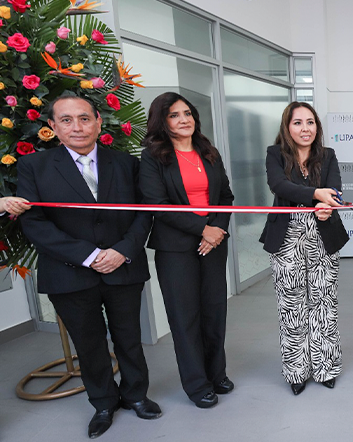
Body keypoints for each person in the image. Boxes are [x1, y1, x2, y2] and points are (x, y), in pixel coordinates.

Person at [17, 95, 161, 439]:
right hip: (69, 271)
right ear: (52, 127)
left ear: (98, 121)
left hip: (123, 266)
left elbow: (145, 211)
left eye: (84, 118)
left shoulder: (126, 163)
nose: (77, 127)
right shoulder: (34, 167)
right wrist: (89, 255)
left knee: (129, 337)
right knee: (89, 342)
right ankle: (102, 402)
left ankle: (137, 396)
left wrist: (122, 251)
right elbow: (34, 223)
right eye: (66, 120)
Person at [139, 92, 235, 409]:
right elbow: (158, 206)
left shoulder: (208, 152)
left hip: (213, 243)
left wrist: (217, 229)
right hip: (176, 249)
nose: (184, 119)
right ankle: (197, 384)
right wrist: (202, 228)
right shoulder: (153, 157)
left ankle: (216, 373)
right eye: (175, 115)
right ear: (162, 122)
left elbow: (226, 196)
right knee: (185, 317)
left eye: (187, 113)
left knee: (214, 311)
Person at [260, 102, 349, 396]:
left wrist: (327, 205)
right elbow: (279, 186)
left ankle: (326, 367)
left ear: (317, 127)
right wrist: (315, 195)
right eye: (298, 123)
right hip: (286, 236)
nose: (305, 128)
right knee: (292, 306)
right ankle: (296, 370)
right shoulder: (275, 154)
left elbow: (334, 189)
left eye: (310, 122)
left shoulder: (329, 155)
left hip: (323, 234)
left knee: (324, 303)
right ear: (287, 127)